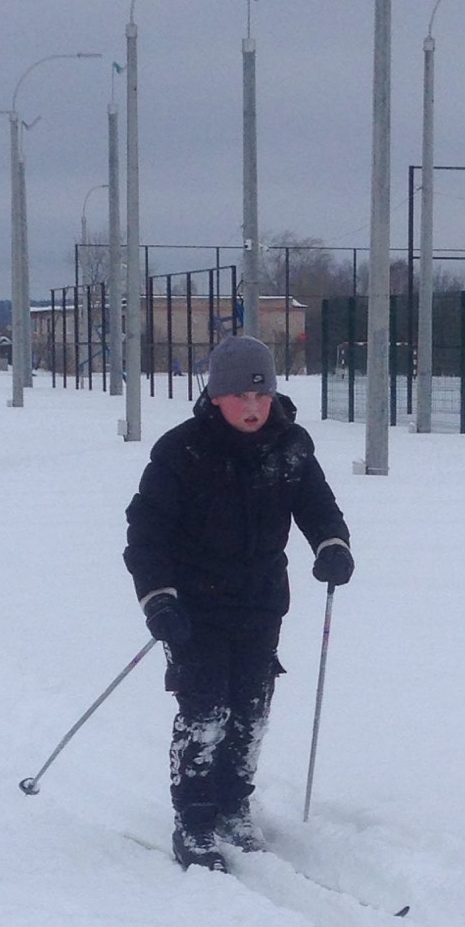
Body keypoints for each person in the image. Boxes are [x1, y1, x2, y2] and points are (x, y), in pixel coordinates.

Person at [123, 335, 354, 872]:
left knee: (250, 708)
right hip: (193, 608)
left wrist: (332, 545)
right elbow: (146, 533)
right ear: (215, 396)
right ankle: (195, 821)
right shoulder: (182, 451)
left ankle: (232, 804)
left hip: (261, 602)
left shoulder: (291, 446)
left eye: (261, 395)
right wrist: (158, 599)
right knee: (205, 710)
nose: (252, 407)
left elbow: (318, 506)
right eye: (239, 397)